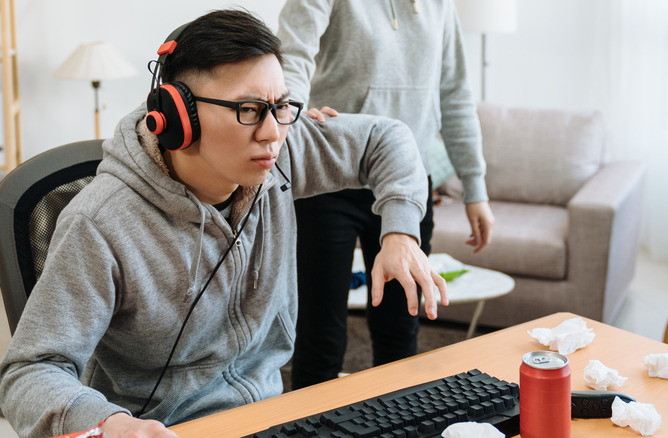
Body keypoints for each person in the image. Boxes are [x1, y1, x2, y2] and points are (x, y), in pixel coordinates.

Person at [0, 9, 448, 438]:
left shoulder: (280, 157)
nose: (272, 131)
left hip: (273, 417)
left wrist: (401, 233)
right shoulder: (100, 223)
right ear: (178, 117)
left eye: (281, 106)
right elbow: (29, 372)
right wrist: (108, 423)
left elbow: (388, 138)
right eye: (249, 109)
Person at [276, 0, 495, 390]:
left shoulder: (440, 5)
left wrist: (475, 189)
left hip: (407, 186)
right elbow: (292, 54)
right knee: (319, 335)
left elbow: (455, 94)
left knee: (399, 330)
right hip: (331, 183)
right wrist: (289, 116)